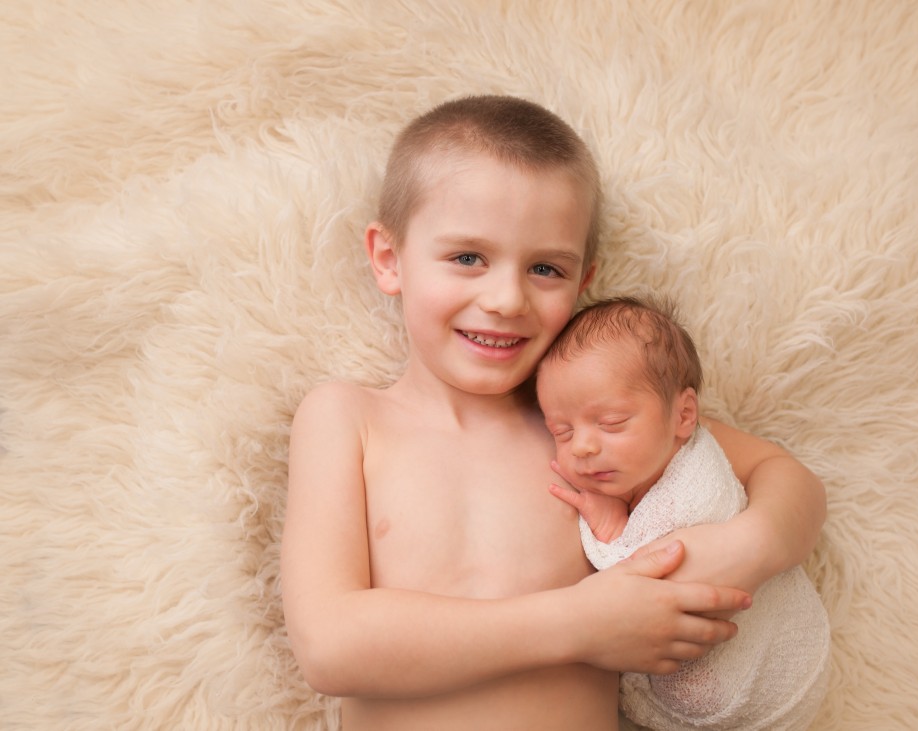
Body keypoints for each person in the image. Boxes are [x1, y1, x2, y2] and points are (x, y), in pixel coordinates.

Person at [280, 95, 826, 731]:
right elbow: (330, 648)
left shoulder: (589, 427)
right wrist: (582, 624)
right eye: (467, 258)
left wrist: (747, 547)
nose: (507, 298)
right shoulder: (349, 420)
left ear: (583, 280)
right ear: (388, 258)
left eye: (545, 268)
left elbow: (792, 482)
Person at [536, 296, 830, 731]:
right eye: (561, 431)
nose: (581, 446)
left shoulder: (698, 480)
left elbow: (641, 576)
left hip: (770, 669)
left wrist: (611, 524)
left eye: (612, 421)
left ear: (684, 415)